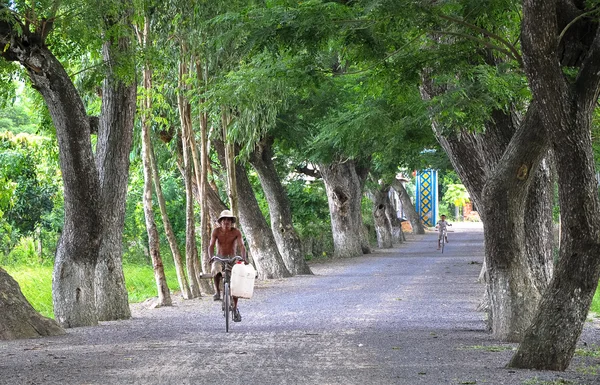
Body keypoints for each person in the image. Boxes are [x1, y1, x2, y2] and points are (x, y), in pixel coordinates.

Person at [208, 209, 247, 322]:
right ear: (220, 222)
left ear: (232, 222)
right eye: (224, 220)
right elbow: (211, 245)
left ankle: (235, 307)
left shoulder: (236, 232)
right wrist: (211, 257)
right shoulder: (216, 231)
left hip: (232, 258)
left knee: (235, 282)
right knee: (215, 268)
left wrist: (244, 258)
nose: (226, 222)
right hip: (219, 257)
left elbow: (241, 246)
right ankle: (217, 292)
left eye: (229, 220)